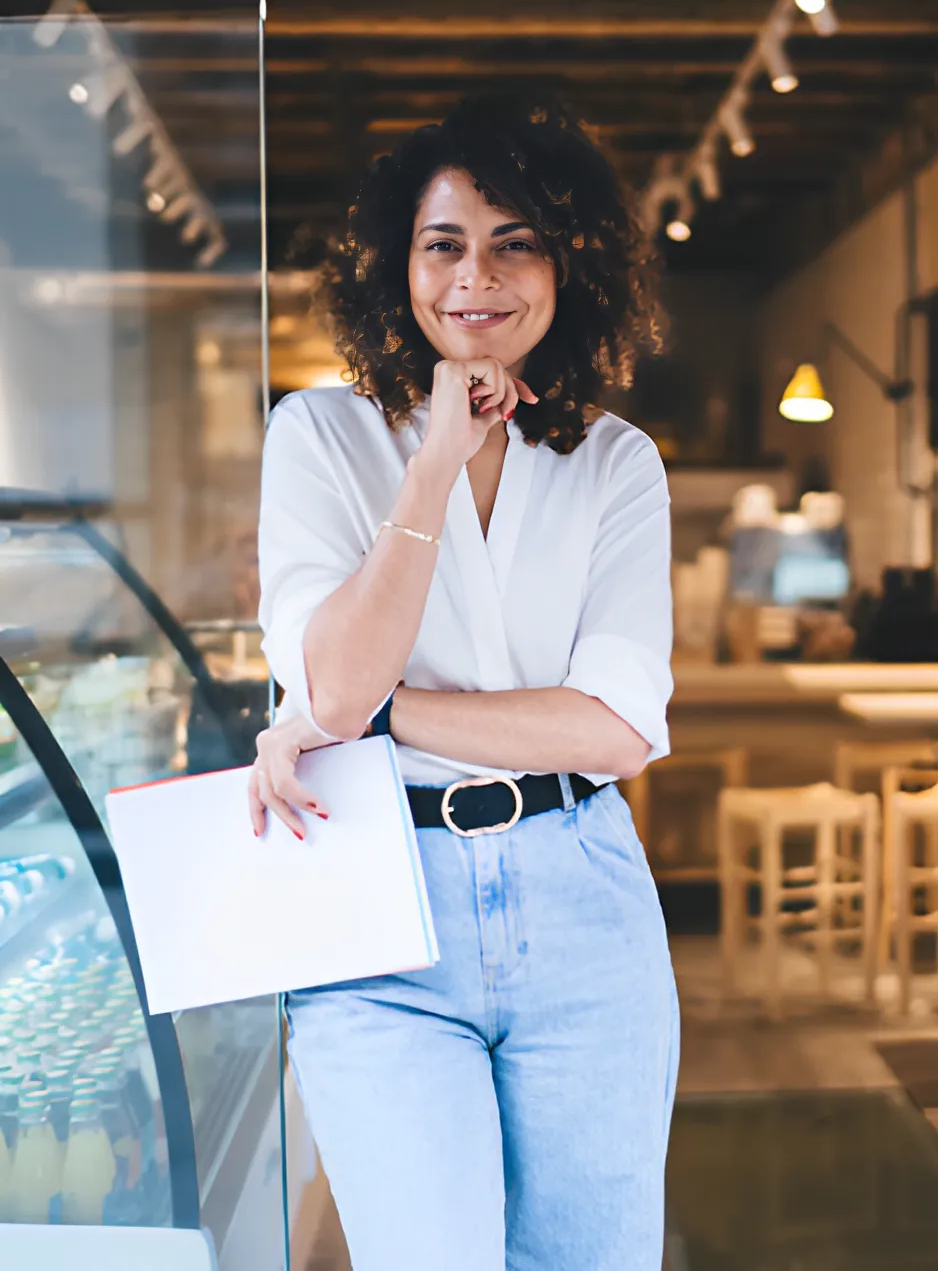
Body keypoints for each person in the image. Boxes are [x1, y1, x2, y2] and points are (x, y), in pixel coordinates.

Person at [250, 94, 678, 1271]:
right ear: (400, 266)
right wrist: (432, 464)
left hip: (580, 897)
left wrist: (384, 713)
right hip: (379, 903)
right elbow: (330, 689)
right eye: (444, 243)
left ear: (564, 264)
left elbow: (616, 729)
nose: (474, 277)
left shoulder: (615, 462)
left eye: (514, 240)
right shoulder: (321, 438)